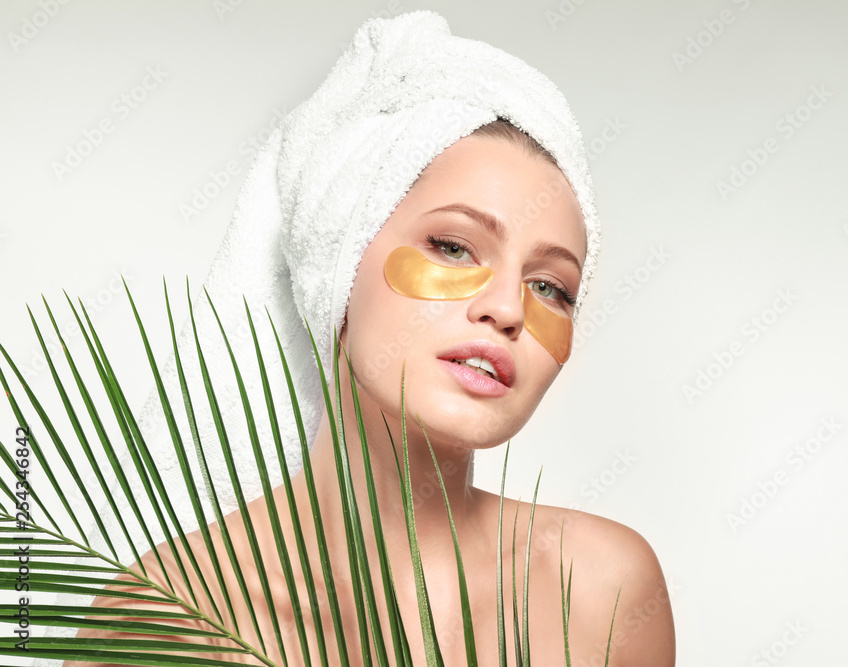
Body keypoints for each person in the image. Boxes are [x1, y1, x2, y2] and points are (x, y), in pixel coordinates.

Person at [64, 11, 674, 667]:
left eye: (550, 286)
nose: (506, 309)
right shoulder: (167, 619)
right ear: (340, 259)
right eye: (452, 246)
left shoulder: (601, 593)